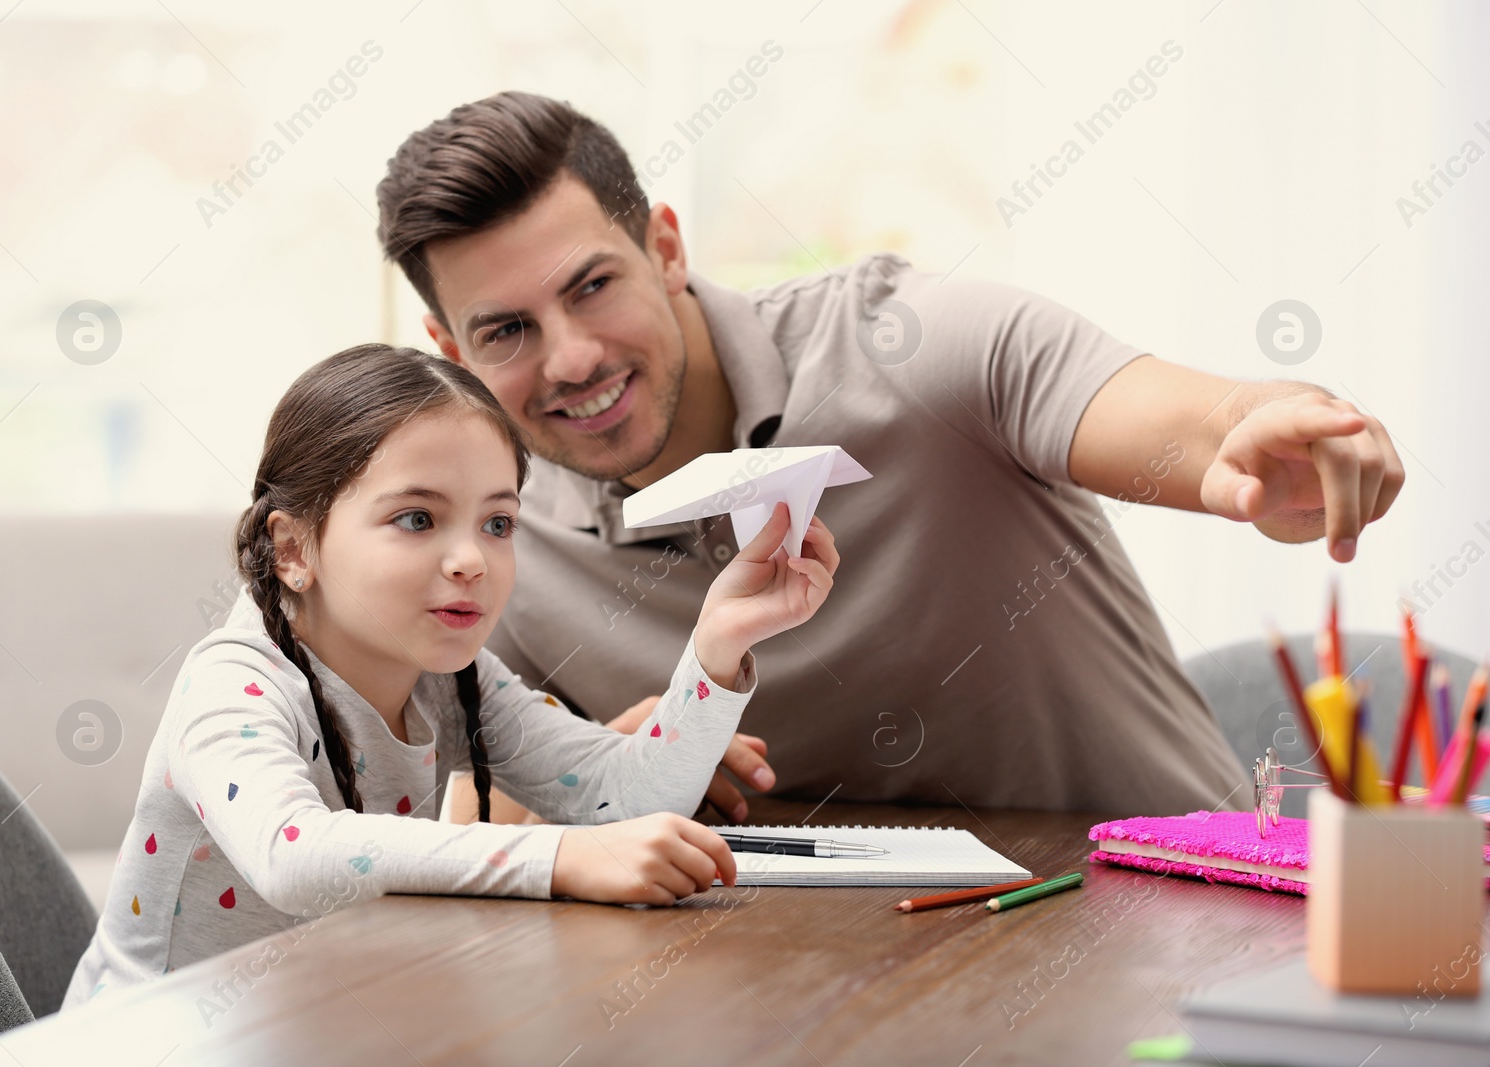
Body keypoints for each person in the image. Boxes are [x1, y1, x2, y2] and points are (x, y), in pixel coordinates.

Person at [372, 91, 1406, 821]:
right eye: (505, 331)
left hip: (1161, 936)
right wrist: (589, 779)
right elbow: (460, 803)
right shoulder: (490, 536)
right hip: (815, 995)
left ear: (669, 250)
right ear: (452, 352)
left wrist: (1262, 432)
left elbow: (1189, 413)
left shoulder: (909, 344)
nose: (573, 358)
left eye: (592, 284)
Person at [61, 343, 840, 1005]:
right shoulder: (234, 682)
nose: (471, 559)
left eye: (497, 522)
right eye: (417, 519)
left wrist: (718, 643)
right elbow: (294, 853)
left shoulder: (453, 676)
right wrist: (563, 858)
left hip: (314, 1025)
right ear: (294, 549)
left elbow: (623, 796)